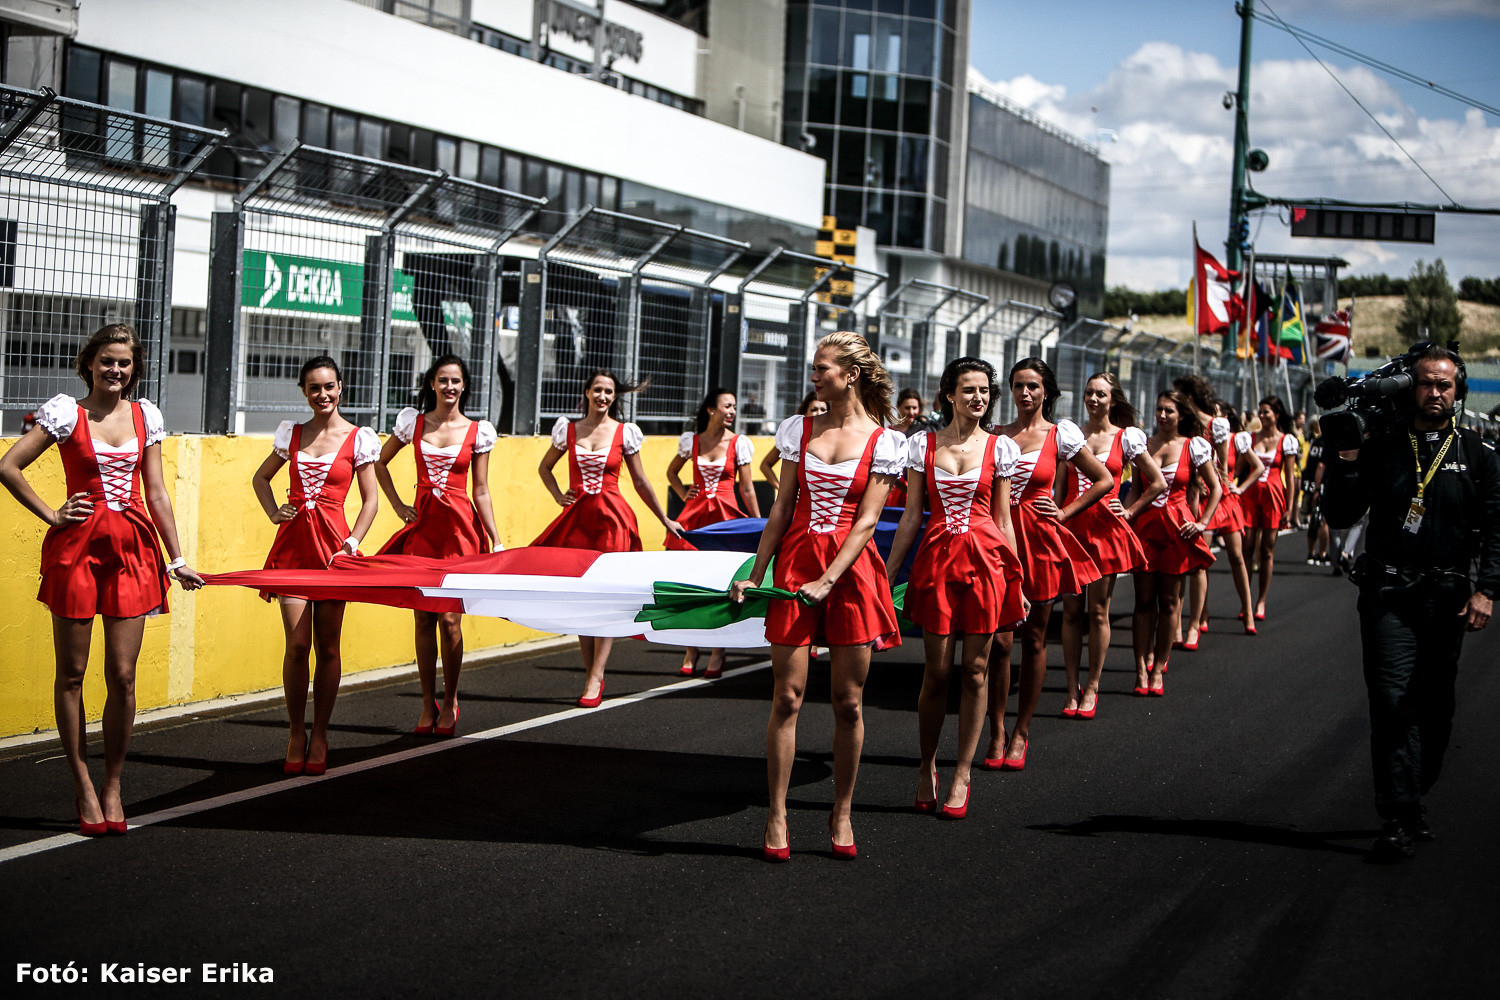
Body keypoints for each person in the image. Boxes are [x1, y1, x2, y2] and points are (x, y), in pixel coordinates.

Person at [0, 324, 203, 834]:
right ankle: (82, 783)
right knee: (71, 673)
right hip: (77, 550)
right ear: (89, 363)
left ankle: (113, 784)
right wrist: (52, 515)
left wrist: (177, 560)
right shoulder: (67, 412)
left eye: (125, 363)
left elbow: (155, 492)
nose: (116, 370)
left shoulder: (145, 415)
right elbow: (9, 465)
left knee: (123, 675)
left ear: (135, 369)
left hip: (132, 549)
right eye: (107, 361)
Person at [730, 332, 905, 862]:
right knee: (786, 696)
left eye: (821, 368)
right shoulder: (797, 429)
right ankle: (777, 813)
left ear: (850, 375)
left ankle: (842, 810)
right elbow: (780, 509)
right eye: (813, 368)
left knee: (848, 702)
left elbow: (868, 521)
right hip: (796, 563)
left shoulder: (885, 441)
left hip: (850, 573)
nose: (813, 375)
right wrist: (756, 573)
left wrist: (828, 580)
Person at [1323, 345, 1500, 861]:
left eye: (1444, 385)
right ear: (1412, 388)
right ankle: (1398, 813)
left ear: (1458, 391)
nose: (1435, 393)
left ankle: (1414, 796)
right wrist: (1346, 460)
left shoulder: (1479, 455)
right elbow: (1340, 514)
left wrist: (1487, 589)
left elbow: (1495, 531)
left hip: (1447, 597)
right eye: (1426, 383)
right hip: (1388, 595)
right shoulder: (1383, 445)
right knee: (1391, 700)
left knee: (1436, 708)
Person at [887, 358, 1028, 820]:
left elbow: (1005, 519)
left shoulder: (1000, 448)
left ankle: (962, 772)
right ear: (950, 394)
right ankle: (927, 765)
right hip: (937, 561)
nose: (979, 398)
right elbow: (911, 515)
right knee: (937, 672)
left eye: (985, 391)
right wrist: (888, 574)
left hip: (986, 563)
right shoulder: (921, 445)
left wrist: (1016, 577)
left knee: (976, 669)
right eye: (969, 390)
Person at [252, 356, 380, 776]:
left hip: (333, 552)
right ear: (304, 392)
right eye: (313, 388)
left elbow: (371, 500)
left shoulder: (359, 437)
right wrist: (274, 512)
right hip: (293, 550)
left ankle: (320, 732)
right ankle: (294, 731)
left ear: (340, 387)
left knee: (327, 646)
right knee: (296, 645)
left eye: (328, 387)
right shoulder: (291, 434)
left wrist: (352, 543)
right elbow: (261, 478)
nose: (322, 395)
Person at [983, 358, 1109, 771]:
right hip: (999, 540)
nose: (1025, 394)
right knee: (1000, 642)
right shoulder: (996, 434)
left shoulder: (1061, 435)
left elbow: (1104, 479)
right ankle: (996, 730)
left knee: (1035, 637)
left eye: (1033, 386)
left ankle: (1021, 731)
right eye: (1018, 385)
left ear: (1047, 392)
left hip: (1040, 541)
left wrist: (1066, 512)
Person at [535, 369, 684, 707]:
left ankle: (595, 676)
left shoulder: (624, 432)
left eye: (609, 392)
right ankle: (593, 672)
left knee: (604, 597)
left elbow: (641, 481)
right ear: (586, 393)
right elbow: (545, 467)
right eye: (598, 390)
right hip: (577, 522)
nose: (603, 397)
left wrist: (664, 518)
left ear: (615, 398)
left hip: (613, 521)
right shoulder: (568, 430)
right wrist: (559, 495)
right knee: (581, 600)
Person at [373, 354, 500, 737]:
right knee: (423, 616)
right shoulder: (413, 423)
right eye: (442, 380)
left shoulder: (479, 431)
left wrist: (496, 537)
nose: (449, 387)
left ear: (464, 386)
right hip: (423, 530)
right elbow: (380, 463)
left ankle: (452, 699)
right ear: (432, 383)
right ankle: (428, 702)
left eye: (456, 381)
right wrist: (397, 505)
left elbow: (480, 488)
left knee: (450, 619)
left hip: (460, 532)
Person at [1059, 373, 1165, 716]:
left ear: (1113, 400)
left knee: (1099, 611)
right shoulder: (1071, 434)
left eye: (1100, 394)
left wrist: (1130, 510)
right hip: (1072, 528)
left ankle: (1092, 687)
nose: (1093, 398)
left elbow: (1157, 482)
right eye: (1089, 392)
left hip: (1105, 530)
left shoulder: (1126, 437)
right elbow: (1061, 487)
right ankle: (1072, 687)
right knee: (1072, 612)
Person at [1128, 391, 1221, 696]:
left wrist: (1202, 522)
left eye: (1169, 410)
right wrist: (1125, 516)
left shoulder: (1193, 446)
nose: (1163, 415)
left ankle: (1158, 668)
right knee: (1143, 602)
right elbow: (1135, 490)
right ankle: (1141, 667)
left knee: (1169, 602)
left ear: (1181, 415)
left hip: (1177, 531)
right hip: (1145, 529)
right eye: (1159, 410)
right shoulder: (1142, 443)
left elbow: (1215, 488)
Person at [665, 387, 760, 678]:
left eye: (734, 407)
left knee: (723, 581)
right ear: (711, 409)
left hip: (726, 517)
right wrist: (683, 492)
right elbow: (671, 473)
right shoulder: (692, 442)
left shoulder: (738, 443)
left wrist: (759, 526)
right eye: (727, 406)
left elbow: (746, 487)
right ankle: (692, 647)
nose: (732, 411)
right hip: (696, 517)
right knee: (692, 580)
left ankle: (719, 648)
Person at [1198, 402, 1264, 635]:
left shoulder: (1237, 439)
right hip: (1206, 500)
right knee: (1203, 560)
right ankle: (1201, 613)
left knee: (1237, 556)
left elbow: (1258, 467)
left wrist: (1240, 487)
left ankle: (1247, 612)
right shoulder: (1199, 439)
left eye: (1216, 412)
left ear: (1225, 417)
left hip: (1227, 500)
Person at [1243, 395, 1299, 619]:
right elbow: (1238, 469)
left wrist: (1290, 505)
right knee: (1246, 547)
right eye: (1261, 411)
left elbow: (1291, 476)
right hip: (1250, 495)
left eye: (1266, 411)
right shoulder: (1250, 438)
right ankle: (1246, 599)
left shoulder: (1286, 440)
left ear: (1276, 414)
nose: (1263, 415)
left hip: (1274, 495)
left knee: (1266, 550)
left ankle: (1261, 601)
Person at [759, 390, 827, 492]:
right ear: (805, 413)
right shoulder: (793, 439)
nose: (819, 413)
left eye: (823, 409)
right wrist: (781, 488)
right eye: (814, 409)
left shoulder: (836, 439)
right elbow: (765, 465)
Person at [1301, 416, 1330, 566]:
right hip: (1323, 484)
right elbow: (1321, 466)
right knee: (1324, 521)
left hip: (1310, 483)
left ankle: (1311, 552)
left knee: (1313, 517)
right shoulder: (1330, 444)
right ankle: (1322, 553)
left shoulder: (1314, 442)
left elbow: (1309, 463)